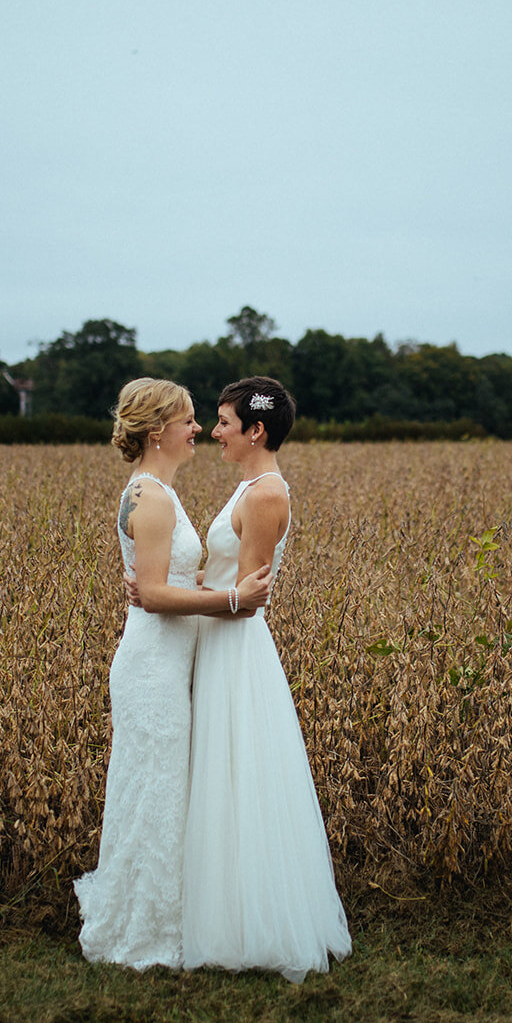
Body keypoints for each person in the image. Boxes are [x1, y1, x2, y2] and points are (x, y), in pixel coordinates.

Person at [74, 377, 273, 970]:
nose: (198, 430)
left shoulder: (157, 491)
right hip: (153, 670)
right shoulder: (153, 498)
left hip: (164, 663)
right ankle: (146, 935)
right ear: (158, 428)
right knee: (155, 793)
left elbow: (159, 587)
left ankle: (158, 919)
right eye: (188, 420)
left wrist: (189, 590)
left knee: (157, 792)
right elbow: (156, 597)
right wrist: (233, 600)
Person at [182, 376, 352, 982]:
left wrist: (173, 597)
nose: (216, 432)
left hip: (236, 647)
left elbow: (250, 598)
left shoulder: (265, 495)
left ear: (256, 430)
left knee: (240, 775)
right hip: (219, 639)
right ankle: (220, 908)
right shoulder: (251, 485)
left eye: (225, 422)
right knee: (222, 774)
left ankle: (245, 924)